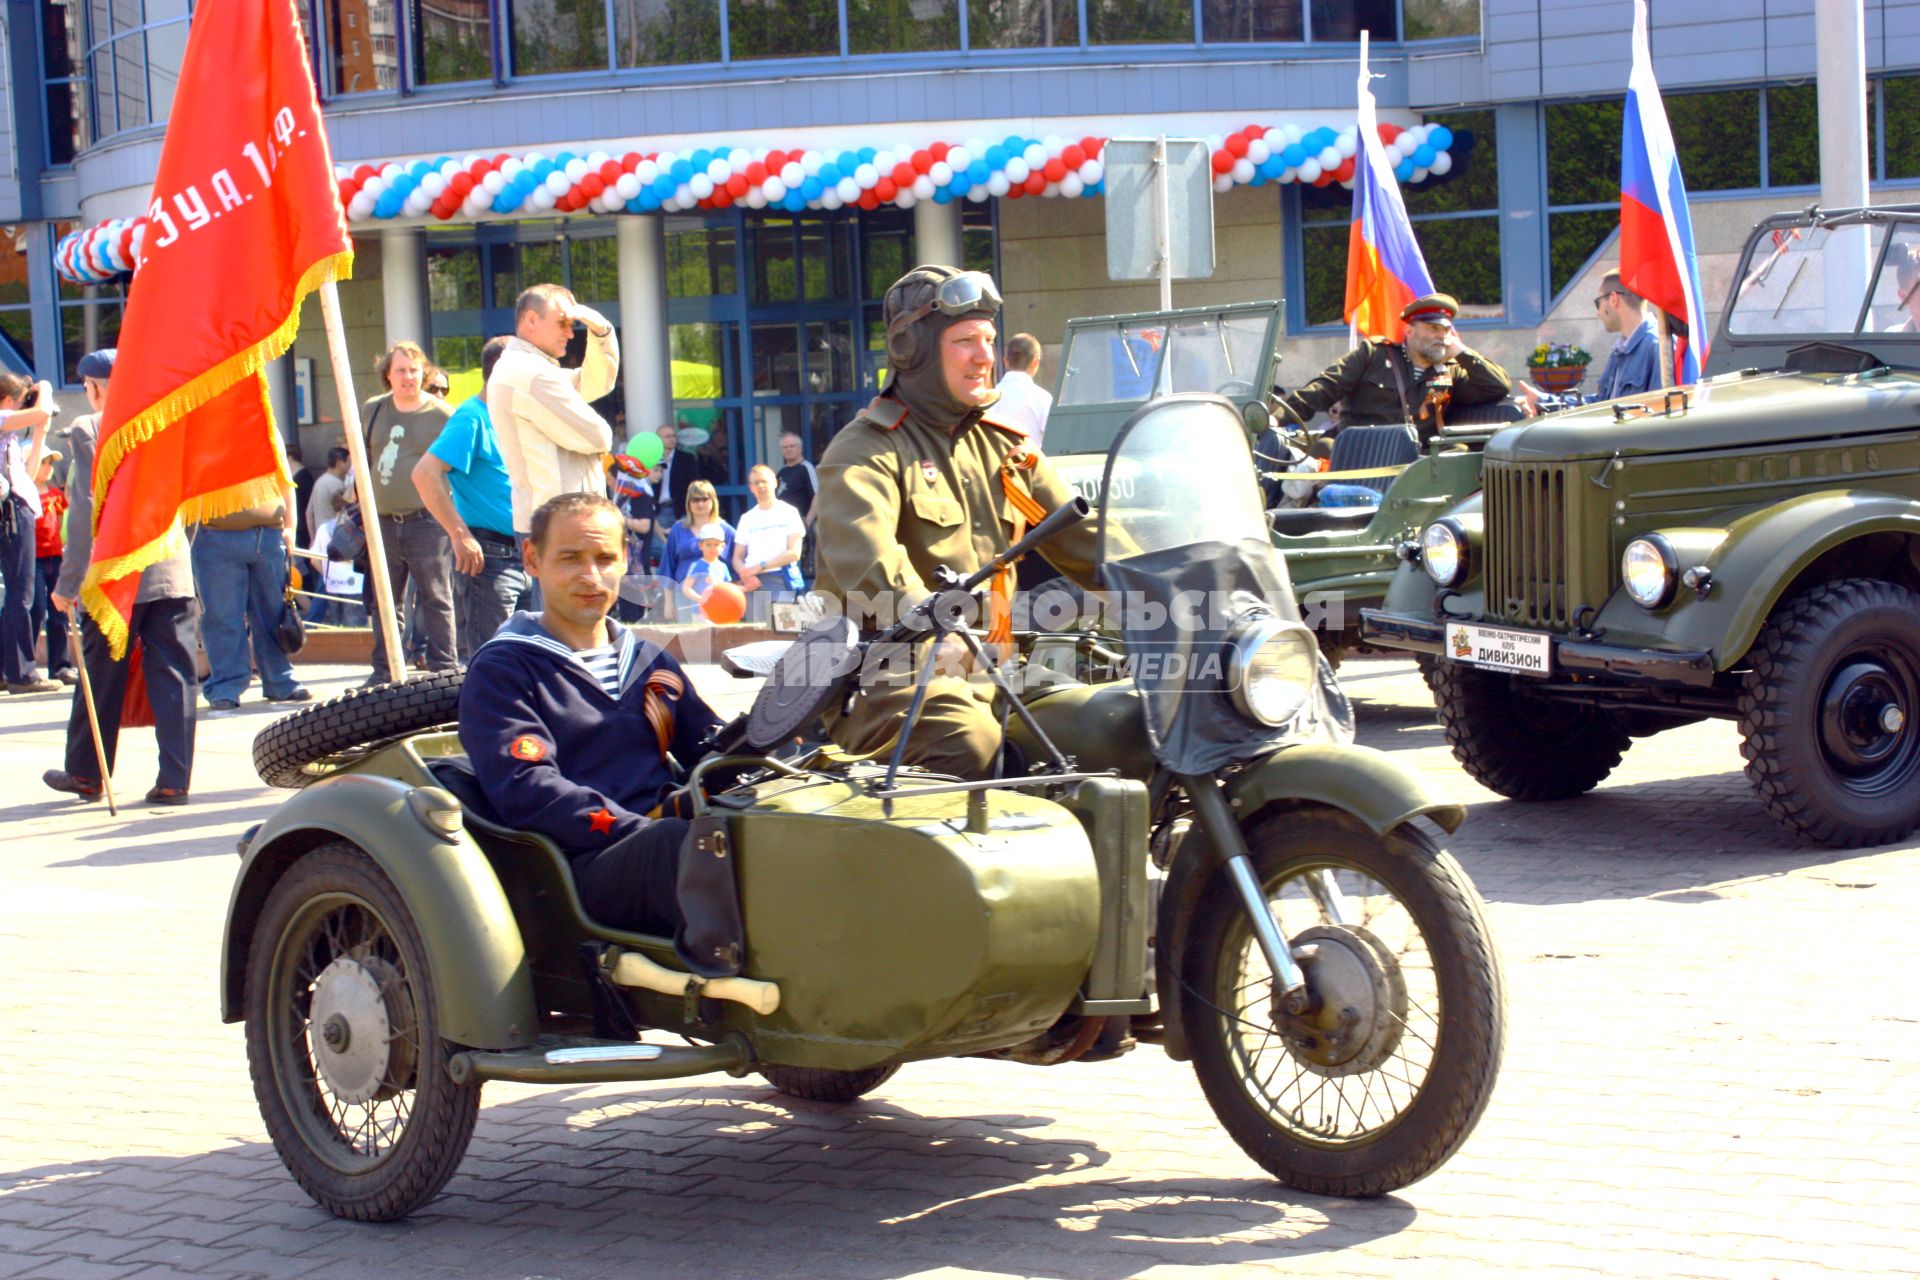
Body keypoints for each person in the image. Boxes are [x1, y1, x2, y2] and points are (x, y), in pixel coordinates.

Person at [815, 265, 1099, 779]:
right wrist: (928, 624)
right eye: (966, 340)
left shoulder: (1004, 448)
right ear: (911, 351)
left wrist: (1187, 575)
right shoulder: (864, 452)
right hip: (884, 678)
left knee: (1113, 723)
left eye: (989, 339)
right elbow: (871, 563)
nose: (986, 356)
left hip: (993, 672)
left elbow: (1089, 542)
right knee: (968, 743)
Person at [458, 492, 724, 936]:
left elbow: (710, 745)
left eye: (604, 558)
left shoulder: (649, 660)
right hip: (575, 870)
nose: (591, 576)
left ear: (625, 560)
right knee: (680, 845)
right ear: (532, 558)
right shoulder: (504, 668)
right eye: (570, 559)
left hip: (665, 839)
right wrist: (634, 827)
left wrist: (770, 743)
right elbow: (528, 789)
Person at [44, 348, 200, 805]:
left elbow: (86, 511)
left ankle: (88, 774)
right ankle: (175, 780)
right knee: (174, 674)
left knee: (100, 675)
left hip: (117, 572)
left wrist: (68, 583)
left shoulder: (90, 427)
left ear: (93, 388)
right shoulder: (167, 422)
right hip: (170, 561)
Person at [413, 335, 527, 662]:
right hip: (491, 558)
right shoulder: (471, 417)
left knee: (525, 659)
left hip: (523, 553)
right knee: (493, 662)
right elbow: (424, 474)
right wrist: (459, 534)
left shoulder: (510, 416)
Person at [1274, 293, 1512, 440]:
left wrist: (1462, 352)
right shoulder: (1373, 355)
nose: (1441, 336)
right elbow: (1325, 388)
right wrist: (1276, 419)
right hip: (1363, 453)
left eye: (1446, 330)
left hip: (1416, 463)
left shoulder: (1451, 371)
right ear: (1409, 331)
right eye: (1433, 329)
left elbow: (1497, 386)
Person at [487, 283, 619, 538]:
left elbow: (596, 381)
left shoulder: (530, 369)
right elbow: (598, 436)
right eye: (563, 323)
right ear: (531, 319)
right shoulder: (530, 373)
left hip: (555, 523)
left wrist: (600, 328)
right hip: (561, 527)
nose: (570, 334)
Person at [362, 339, 457, 682]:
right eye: (400, 370)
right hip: (382, 522)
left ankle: (444, 667)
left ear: (424, 373)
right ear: (387, 374)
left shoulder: (442, 414)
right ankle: (385, 667)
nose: (408, 377)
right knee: (385, 600)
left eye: (414, 370)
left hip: (426, 521)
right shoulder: (372, 409)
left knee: (435, 596)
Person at [190, 471, 310, 711]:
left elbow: (285, 480)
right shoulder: (201, 436)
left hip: (268, 534)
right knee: (222, 617)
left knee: (274, 614)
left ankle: (280, 681)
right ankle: (226, 686)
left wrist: (291, 526)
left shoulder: (266, 435)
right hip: (217, 533)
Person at [0, 371, 60, 693]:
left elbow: (30, 475)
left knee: (19, 595)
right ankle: (21, 673)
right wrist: (45, 388)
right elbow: (40, 410)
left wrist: (39, 434)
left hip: (18, 507)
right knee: (20, 595)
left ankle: (7, 670)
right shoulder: (1, 416)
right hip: (9, 513)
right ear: (9, 399)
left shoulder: (9, 437)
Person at [732, 463, 806, 622]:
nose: (760, 486)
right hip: (753, 583)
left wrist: (761, 566)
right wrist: (746, 576)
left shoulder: (789, 512)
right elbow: (737, 557)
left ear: (774, 483)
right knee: (756, 635)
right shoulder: (746, 518)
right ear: (751, 488)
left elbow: (794, 553)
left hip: (781, 579)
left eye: (764, 481)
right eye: (755, 483)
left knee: (786, 631)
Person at [29, 449, 75, 684]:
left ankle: (60, 666)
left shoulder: (56, 495)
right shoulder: (25, 495)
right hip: (33, 559)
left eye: (50, 463)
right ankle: (27, 665)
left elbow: (63, 521)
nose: (48, 467)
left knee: (59, 612)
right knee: (35, 610)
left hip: (55, 558)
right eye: (43, 462)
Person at [656, 479, 733, 612]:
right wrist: (669, 603)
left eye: (705, 499)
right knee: (688, 632)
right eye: (695, 500)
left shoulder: (725, 530)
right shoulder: (678, 529)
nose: (700, 504)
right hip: (684, 595)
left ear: (713, 501)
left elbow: (734, 565)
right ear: (688, 503)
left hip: (716, 597)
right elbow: (668, 566)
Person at [993, 332, 1054, 447]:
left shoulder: (989, 398)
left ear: (1005, 361)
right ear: (1036, 363)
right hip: (1032, 462)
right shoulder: (1042, 398)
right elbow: (1053, 439)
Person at [774, 429, 818, 582]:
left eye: (792, 446)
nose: (788, 450)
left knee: (803, 564)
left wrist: (808, 521)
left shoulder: (806, 468)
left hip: (801, 523)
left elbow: (817, 495)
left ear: (800, 448)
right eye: (785, 447)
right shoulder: (781, 472)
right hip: (781, 526)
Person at [682, 522, 735, 618]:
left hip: (720, 610)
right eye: (708, 544)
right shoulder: (696, 565)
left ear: (723, 546)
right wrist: (700, 599)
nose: (712, 548)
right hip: (700, 612)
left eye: (716, 544)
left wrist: (745, 588)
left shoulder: (723, 566)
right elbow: (686, 588)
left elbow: (728, 589)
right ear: (700, 546)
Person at [305, 446, 351, 543]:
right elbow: (344, 513)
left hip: (320, 538)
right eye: (348, 461)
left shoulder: (319, 481)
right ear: (339, 462)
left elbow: (308, 513)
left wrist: (313, 540)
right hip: (334, 537)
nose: (350, 465)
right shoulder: (336, 484)